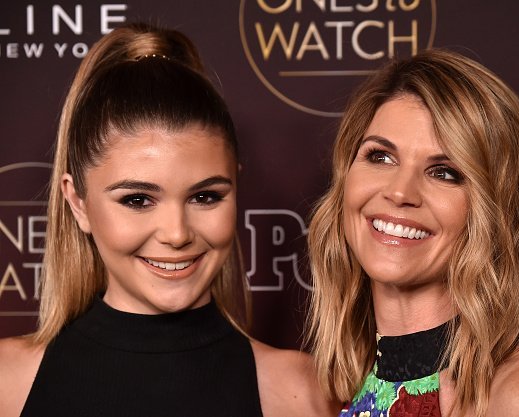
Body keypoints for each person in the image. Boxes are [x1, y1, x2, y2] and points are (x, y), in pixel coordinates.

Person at [0, 22, 338, 417]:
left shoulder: (302, 390)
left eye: (205, 196)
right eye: (139, 199)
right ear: (77, 202)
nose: (177, 234)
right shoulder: (8, 381)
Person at [306, 49, 519, 417]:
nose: (399, 192)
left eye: (444, 172)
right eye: (381, 156)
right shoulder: (344, 390)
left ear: (491, 212)